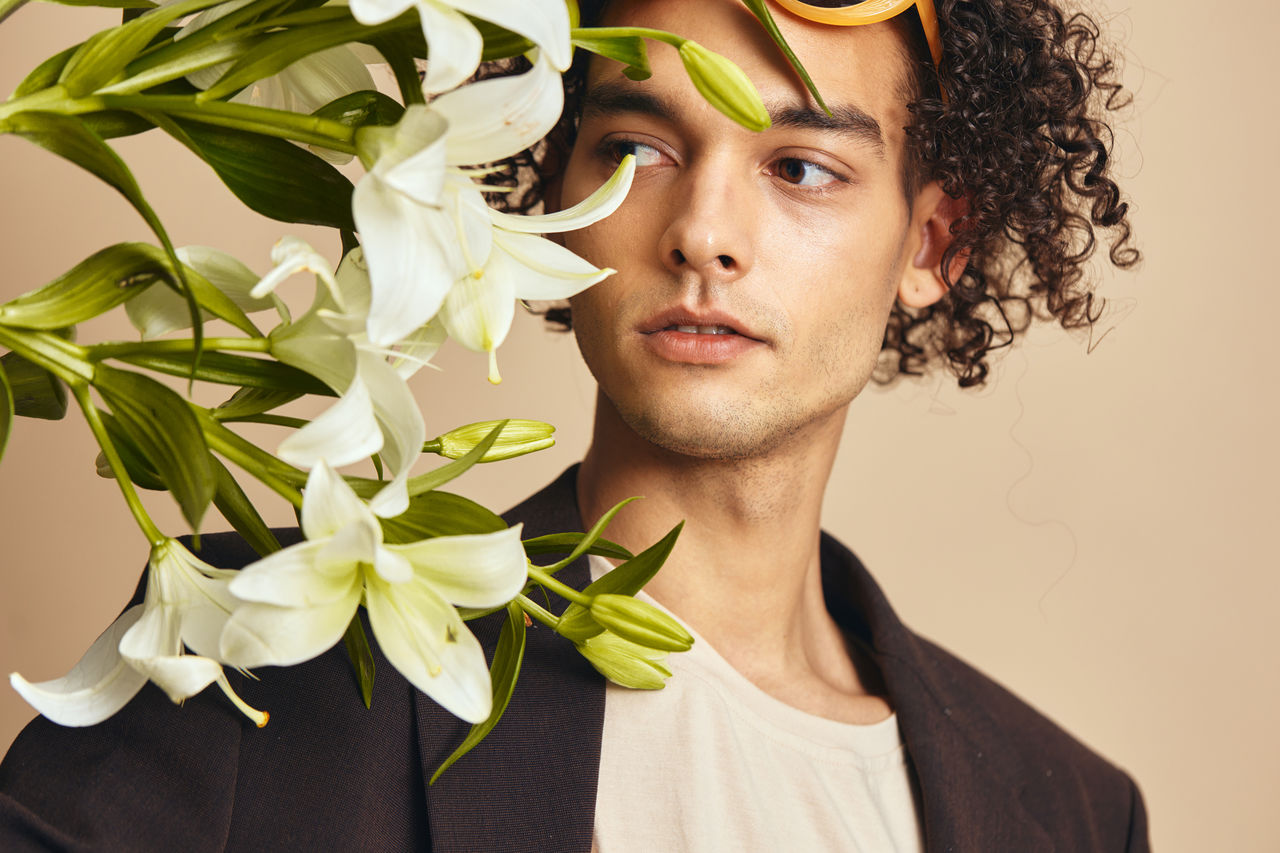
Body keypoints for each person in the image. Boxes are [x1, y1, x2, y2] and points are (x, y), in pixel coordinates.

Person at [0, 0, 1145, 850]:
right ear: (555, 194)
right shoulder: (251, 663)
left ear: (931, 248)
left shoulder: (1072, 813)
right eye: (637, 149)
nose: (702, 231)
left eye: (799, 167)